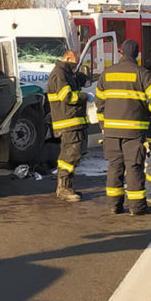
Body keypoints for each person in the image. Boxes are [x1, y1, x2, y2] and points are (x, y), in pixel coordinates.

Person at [96, 39, 151, 215]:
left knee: (114, 167)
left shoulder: (106, 73)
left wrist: (104, 125)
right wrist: (148, 113)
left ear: (121, 53)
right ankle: (137, 208)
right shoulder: (142, 73)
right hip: (134, 131)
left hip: (110, 131)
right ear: (137, 54)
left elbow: (99, 103)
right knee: (134, 168)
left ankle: (114, 206)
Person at [47, 50, 90, 202]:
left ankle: (67, 186)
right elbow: (67, 97)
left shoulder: (66, 73)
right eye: (74, 62)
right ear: (67, 58)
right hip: (68, 122)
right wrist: (85, 96)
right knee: (70, 155)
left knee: (73, 155)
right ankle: (63, 188)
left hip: (72, 122)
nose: (76, 65)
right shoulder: (60, 74)